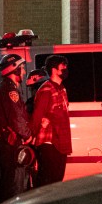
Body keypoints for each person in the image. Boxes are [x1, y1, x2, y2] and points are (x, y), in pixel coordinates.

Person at [0, 54, 33, 201]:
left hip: (7, 143)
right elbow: (17, 118)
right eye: (21, 68)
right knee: (14, 185)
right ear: (14, 70)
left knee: (10, 183)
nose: (24, 72)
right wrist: (28, 135)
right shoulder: (10, 91)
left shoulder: (5, 89)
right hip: (11, 145)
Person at [30, 55, 72, 187]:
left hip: (61, 142)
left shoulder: (62, 89)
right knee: (48, 180)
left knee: (58, 179)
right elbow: (37, 116)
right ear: (54, 69)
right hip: (49, 142)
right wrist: (31, 135)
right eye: (62, 66)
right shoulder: (46, 90)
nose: (65, 68)